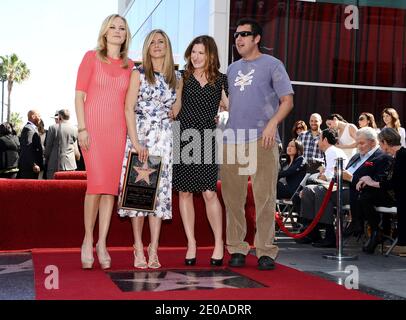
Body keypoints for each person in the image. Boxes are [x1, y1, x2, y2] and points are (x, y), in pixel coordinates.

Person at [221, 18, 294, 271]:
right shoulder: (231, 69)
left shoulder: (273, 65)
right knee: (233, 199)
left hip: (263, 140)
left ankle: (265, 250)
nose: (238, 39)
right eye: (236, 35)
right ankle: (237, 248)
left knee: (264, 198)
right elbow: (233, 104)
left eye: (244, 34)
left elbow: (287, 100)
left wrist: (273, 123)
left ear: (257, 38)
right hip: (233, 141)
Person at [118, 29, 181, 269]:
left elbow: (177, 105)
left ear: (167, 46)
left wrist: (176, 108)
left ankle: (154, 248)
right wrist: (136, 143)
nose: (157, 45)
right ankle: (138, 247)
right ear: (147, 47)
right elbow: (128, 109)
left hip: (164, 142)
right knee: (139, 196)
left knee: (159, 198)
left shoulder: (176, 77)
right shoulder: (139, 74)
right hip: (141, 139)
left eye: (161, 41)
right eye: (152, 42)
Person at [75, 14, 134, 270]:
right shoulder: (91, 57)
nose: (117, 31)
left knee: (110, 188)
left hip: (117, 132)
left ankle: (102, 242)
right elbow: (79, 96)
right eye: (113, 27)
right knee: (95, 185)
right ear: (105, 32)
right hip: (93, 131)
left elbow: (131, 104)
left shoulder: (130, 65)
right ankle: (87, 239)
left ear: (125, 34)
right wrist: (82, 128)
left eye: (122, 28)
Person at [172, 35, 228, 267]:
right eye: (193, 52)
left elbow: (230, 108)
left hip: (206, 137)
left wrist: (223, 115)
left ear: (211, 55)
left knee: (208, 192)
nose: (195, 57)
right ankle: (191, 243)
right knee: (184, 192)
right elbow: (175, 107)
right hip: (182, 135)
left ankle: (218, 244)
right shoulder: (182, 77)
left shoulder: (222, 80)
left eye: (201, 53)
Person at [357, 128, 406, 255]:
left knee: (366, 195)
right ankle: (375, 231)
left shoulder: (402, 156)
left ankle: (375, 231)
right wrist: (367, 181)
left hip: (399, 197)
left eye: (380, 143)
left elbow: (395, 184)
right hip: (395, 195)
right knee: (365, 194)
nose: (379, 146)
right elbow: (390, 179)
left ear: (385, 142)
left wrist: (371, 182)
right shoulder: (397, 155)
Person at [44, 109, 80, 179]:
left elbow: (48, 148)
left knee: (53, 188)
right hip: (71, 165)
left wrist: (46, 157)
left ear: (59, 116)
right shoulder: (75, 129)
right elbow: (76, 151)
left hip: (55, 165)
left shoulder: (53, 128)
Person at [18, 110, 44, 179]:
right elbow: (27, 148)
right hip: (29, 168)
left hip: (32, 168)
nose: (40, 118)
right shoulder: (28, 129)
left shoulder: (32, 128)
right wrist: (33, 164)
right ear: (33, 116)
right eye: (38, 116)